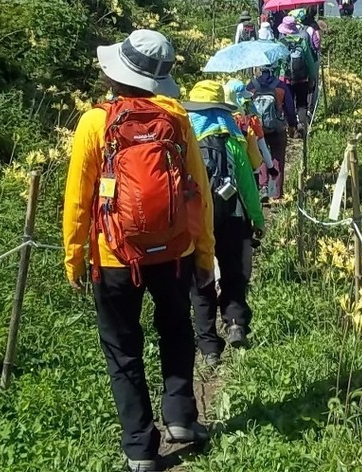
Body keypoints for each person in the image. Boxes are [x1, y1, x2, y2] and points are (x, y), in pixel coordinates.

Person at [62, 29, 214, 472]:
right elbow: (198, 193)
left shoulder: (95, 121)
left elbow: (78, 197)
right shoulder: (176, 118)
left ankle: (140, 449)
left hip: (114, 255)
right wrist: (203, 254)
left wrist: (74, 256)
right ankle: (182, 417)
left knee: (122, 348)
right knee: (176, 330)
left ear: (116, 74)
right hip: (173, 252)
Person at [182, 80, 266, 364]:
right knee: (234, 273)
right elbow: (247, 181)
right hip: (232, 215)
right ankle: (235, 324)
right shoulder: (232, 135)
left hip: (196, 220)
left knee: (201, 280)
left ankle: (208, 348)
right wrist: (256, 218)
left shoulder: (184, 136)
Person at [247, 65, 297, 201]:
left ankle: (262, 187)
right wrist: (293, 125)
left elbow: (245, 106)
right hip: (277, 128)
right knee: (277, 159)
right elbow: (290, 109)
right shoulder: (280, 86)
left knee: (261, 156)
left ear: (259, 69)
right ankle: (275, 193)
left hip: (257, 128)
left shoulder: (251, 86)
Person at [225, 79, 277, 202]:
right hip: (249, 168)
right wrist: (270, 167)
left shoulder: (220, 118)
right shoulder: (250, 119)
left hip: (225, 171)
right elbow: (262, 146)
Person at [277, 15, 317, 133]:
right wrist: (312, 77)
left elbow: (278, 63)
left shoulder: (281, 42)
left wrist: (277, 77)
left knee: (287, 103)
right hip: (302, 78)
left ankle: (290, 127)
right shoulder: (302, 41)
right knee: (302, 103)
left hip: (285, 79)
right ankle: (302, 126)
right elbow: (309, 61)